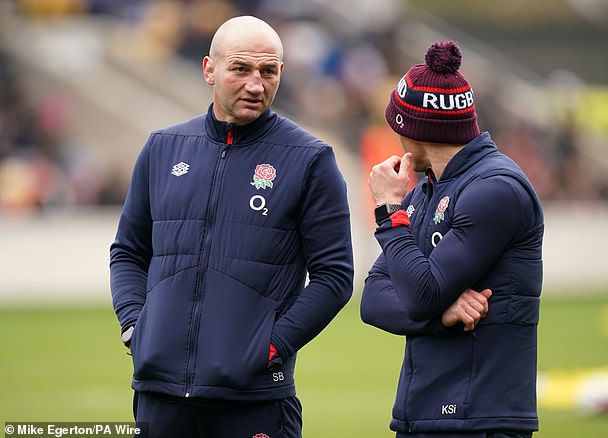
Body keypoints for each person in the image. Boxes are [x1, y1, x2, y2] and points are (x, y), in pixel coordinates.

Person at [110, 15, 353, 438]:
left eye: (268, 71)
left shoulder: (311, 159)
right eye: (240, 69)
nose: (256, 84)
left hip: (254, 400)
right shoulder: (163, 148)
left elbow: (335, 276)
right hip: (159, 394)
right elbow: (129, 252)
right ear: (209, 70)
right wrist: (135, 326)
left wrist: (270, 347)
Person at [360, 40, 544, 438]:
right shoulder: (426, 191)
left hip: (479, 417)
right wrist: (440, 317)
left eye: (398, 125)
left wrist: (390, 212)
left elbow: (419, 294)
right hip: (426, 411)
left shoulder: (496, 189)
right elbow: (373, 299)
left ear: (415, 129)